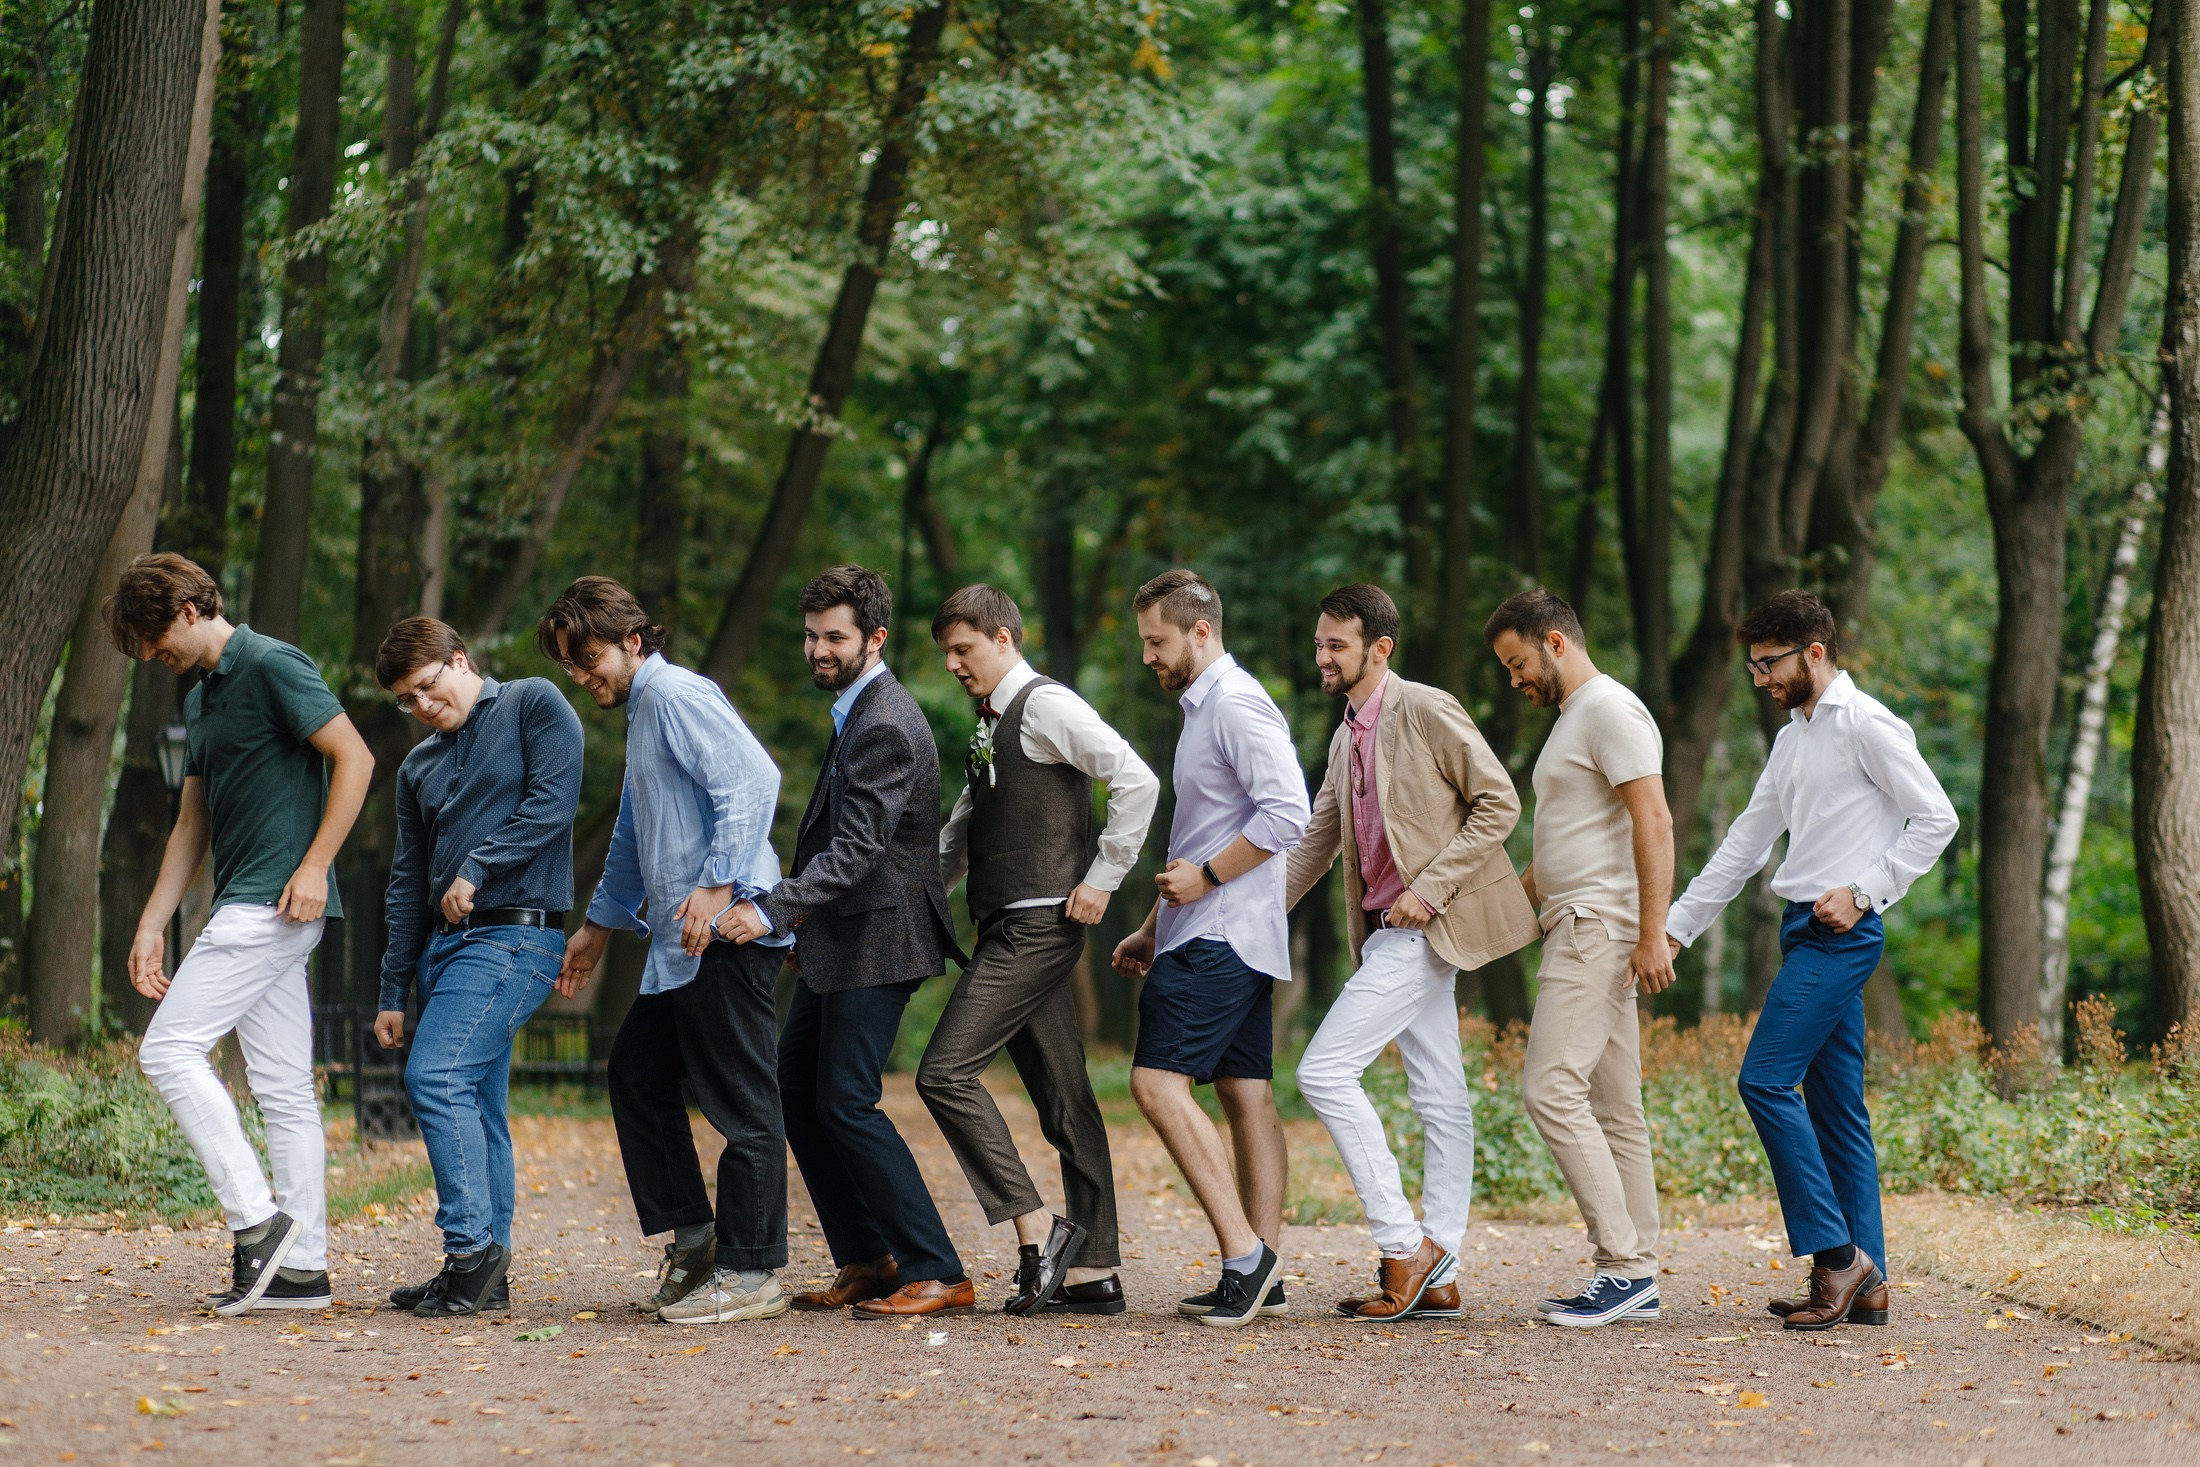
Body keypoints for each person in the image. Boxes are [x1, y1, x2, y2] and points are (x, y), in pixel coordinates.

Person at [1667, 590, 1957, 1331]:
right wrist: (1677, 928)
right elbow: (1744, 841)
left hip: (1843, 934)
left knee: (1763, 1078)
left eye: (1769, 664)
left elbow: (1938, 817)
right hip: (1803, 929)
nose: (1760, 679)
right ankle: (1870, 1284)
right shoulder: (1792, 739)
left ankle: (1836, 1256)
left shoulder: (1867, 726)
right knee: (1838, 1112)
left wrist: (1866, 891)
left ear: (1814, 652)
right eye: (1753, 667)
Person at [109, 553, 373, 1315]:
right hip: (247, 903)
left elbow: (355, 756)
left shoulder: (272, 664)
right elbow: (190, 824)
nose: (153, 656)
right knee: (286, 1089)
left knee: (166, 1049)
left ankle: (258, 1224)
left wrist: (317, 864)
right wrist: (153, 922)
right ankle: (302, 1269)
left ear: (190, 608)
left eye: (156, 637)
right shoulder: (202, 701)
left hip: (273, 903)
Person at [717, 566, 974, 1320]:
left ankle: (939, 1269)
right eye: (811, 634)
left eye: (835, 636)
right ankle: (869, 1256)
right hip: (841, 937)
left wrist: (773, 912)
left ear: (875, 638)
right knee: (796, 1090)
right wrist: (806, 927)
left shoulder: (887, 719)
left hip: (883, 938)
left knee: (847, 1100)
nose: (818, 648)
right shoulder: (856, 711)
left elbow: (858, 848)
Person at [547, 578, 795, 1327]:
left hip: (727, 936)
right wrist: (599, 923)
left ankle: (751, 1272)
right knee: (637, 1073)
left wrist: (720, 883)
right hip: (678, 946)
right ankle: (697, 1244)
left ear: (633, 639)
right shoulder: (646, 709)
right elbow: (633, 824)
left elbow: (755, 778)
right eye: (572, 666)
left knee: (742, 1102)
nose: (585, 676)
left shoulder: (675, 693)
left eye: (590, 658)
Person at [1286, 584, 1537, 1321]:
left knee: (1324, 1070)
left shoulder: (1424, 708)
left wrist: (1428, 889)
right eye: (1319, 643)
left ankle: (1404, 1247)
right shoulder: (1343, 738)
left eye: (1337, 643)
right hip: (1386, 934)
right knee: (1439, 1091)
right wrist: (1251, 920)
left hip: (1428, 926)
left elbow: (1499, 800)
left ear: (1379, 647)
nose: (1323, 655)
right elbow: (1315, 844)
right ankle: (1443, 1266)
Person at [918, 585, 1159, 1316]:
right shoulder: (990, 723)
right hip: (1004, 925)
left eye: (963, 649)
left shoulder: (1048, 705)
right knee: (1066, 1101)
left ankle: (1038, 1231)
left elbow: (1138, 778)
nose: (955, 664)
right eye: (947, 654)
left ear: (1003, 636)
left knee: (944, 1072)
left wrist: (1102, 879)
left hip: (1038, 926)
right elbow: (963, 830)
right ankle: (1095, 1272)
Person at [1110, 569, 1309, 1329]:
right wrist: (1153, 925)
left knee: (1157, 1084)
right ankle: (1264, 1270)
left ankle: (1245, 1258)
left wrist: (1209, 879)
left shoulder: (1235, 701)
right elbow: (1198, 836)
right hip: (1220, 930)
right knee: (1245, 1091)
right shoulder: (1203, 710)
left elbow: (1287, 808)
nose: (1148, 657)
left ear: (1200, 630)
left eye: (1157, 641)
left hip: (1223, 933)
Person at [371, 617, 583, 1317]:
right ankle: (484, 1270)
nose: (423, 707)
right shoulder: (417, 767)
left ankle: (470, 1254)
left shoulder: (532, 703)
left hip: (517, 938)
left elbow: (552, 806)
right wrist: (391, 989)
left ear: (460, 659)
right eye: (408, 700)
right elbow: (406, 882)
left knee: (436, 1075)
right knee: (479, 1104)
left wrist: (478, 867)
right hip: (444, 951)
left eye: (428, 688)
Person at [1485, 589, 1675, 1328]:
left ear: (1556, 642)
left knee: (1549, 1090)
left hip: (1598, 925)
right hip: (1575, 920)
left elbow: (1652, 816)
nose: (1515, 680)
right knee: (1615, 1107)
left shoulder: (1609, 710)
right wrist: (1493, 911)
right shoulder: (1574, 722)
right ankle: (1640, 1273)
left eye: (1518, 662)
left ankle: (1622, 1265)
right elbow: (1560, 846)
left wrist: (1651, 930)